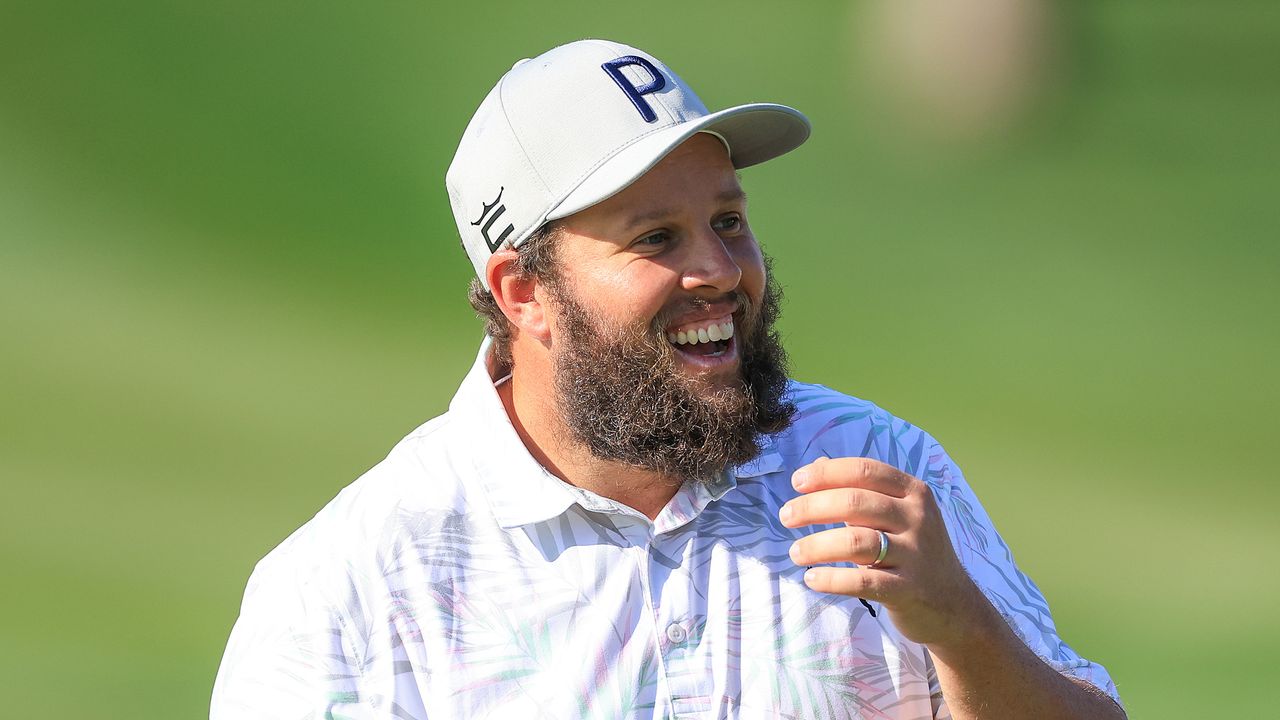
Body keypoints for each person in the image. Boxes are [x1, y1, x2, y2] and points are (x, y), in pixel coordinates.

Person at [211, 39, 1125, 719]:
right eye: (656, 239)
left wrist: (963, 630)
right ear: (525, 292)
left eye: (729, 221)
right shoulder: (357, 586)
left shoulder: (874, 466)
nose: (721, 271)